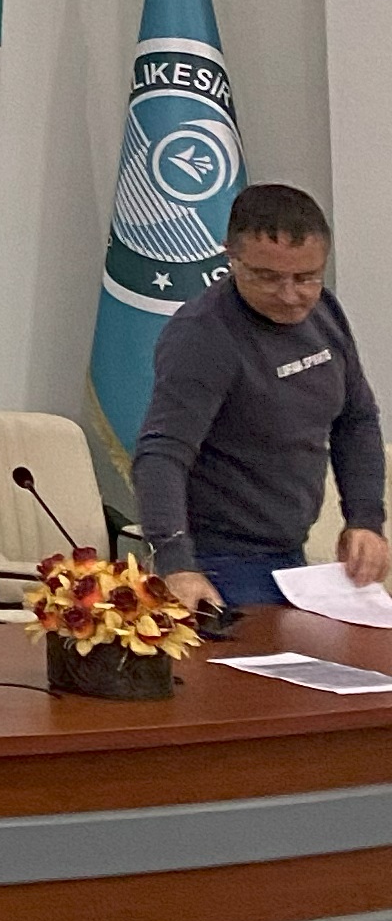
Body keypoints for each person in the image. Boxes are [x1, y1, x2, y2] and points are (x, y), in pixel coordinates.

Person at [134, 180, 389, 618]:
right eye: (267, 277)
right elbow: (162, 453)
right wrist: (177, 565)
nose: (290, 296)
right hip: (216, 561)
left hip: (290, 554)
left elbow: (356, 420)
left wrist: (365, 519)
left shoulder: (325, 312)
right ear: (230, 257)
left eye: (306, 277)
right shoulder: (202, 335)